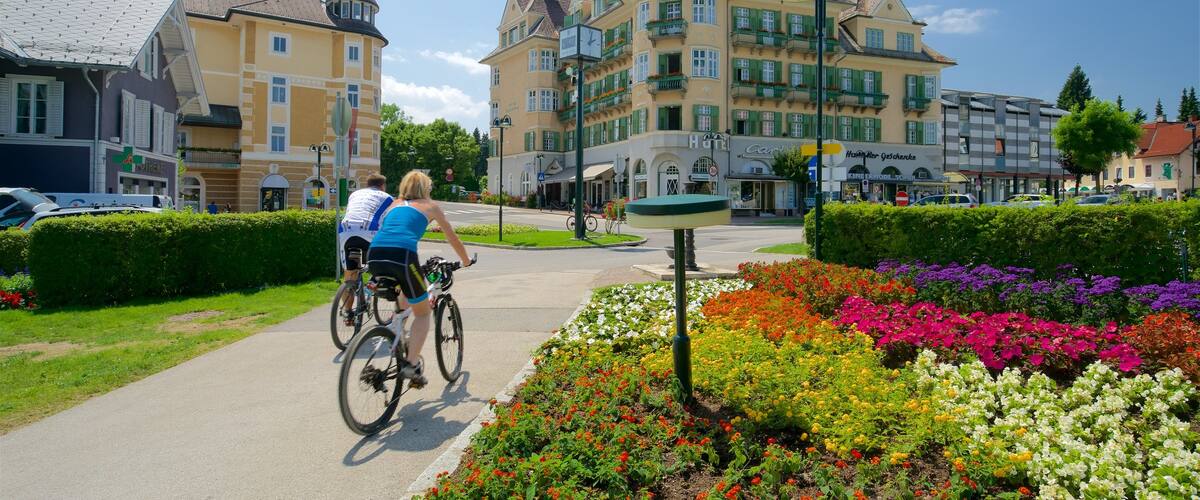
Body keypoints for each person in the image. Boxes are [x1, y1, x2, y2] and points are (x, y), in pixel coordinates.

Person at [368, 171, 471, 388]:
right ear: (426, 189)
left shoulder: (393, 205)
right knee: (423, 313)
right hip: (402, 256)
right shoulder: (430, 206)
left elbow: (389, 228)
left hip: (375, 254)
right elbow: (452, 237)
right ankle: (411, 364)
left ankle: (398, 332)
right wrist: (466, 260)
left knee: (405, 299)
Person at [337, 174, 394, 324]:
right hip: (369, 230)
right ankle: (374, 282)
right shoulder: (387, 198)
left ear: (367, 184)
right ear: (382, 186)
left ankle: (348, 313)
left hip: (346, 229)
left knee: (350, 274)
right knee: (383, 260)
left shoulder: (355, 194)